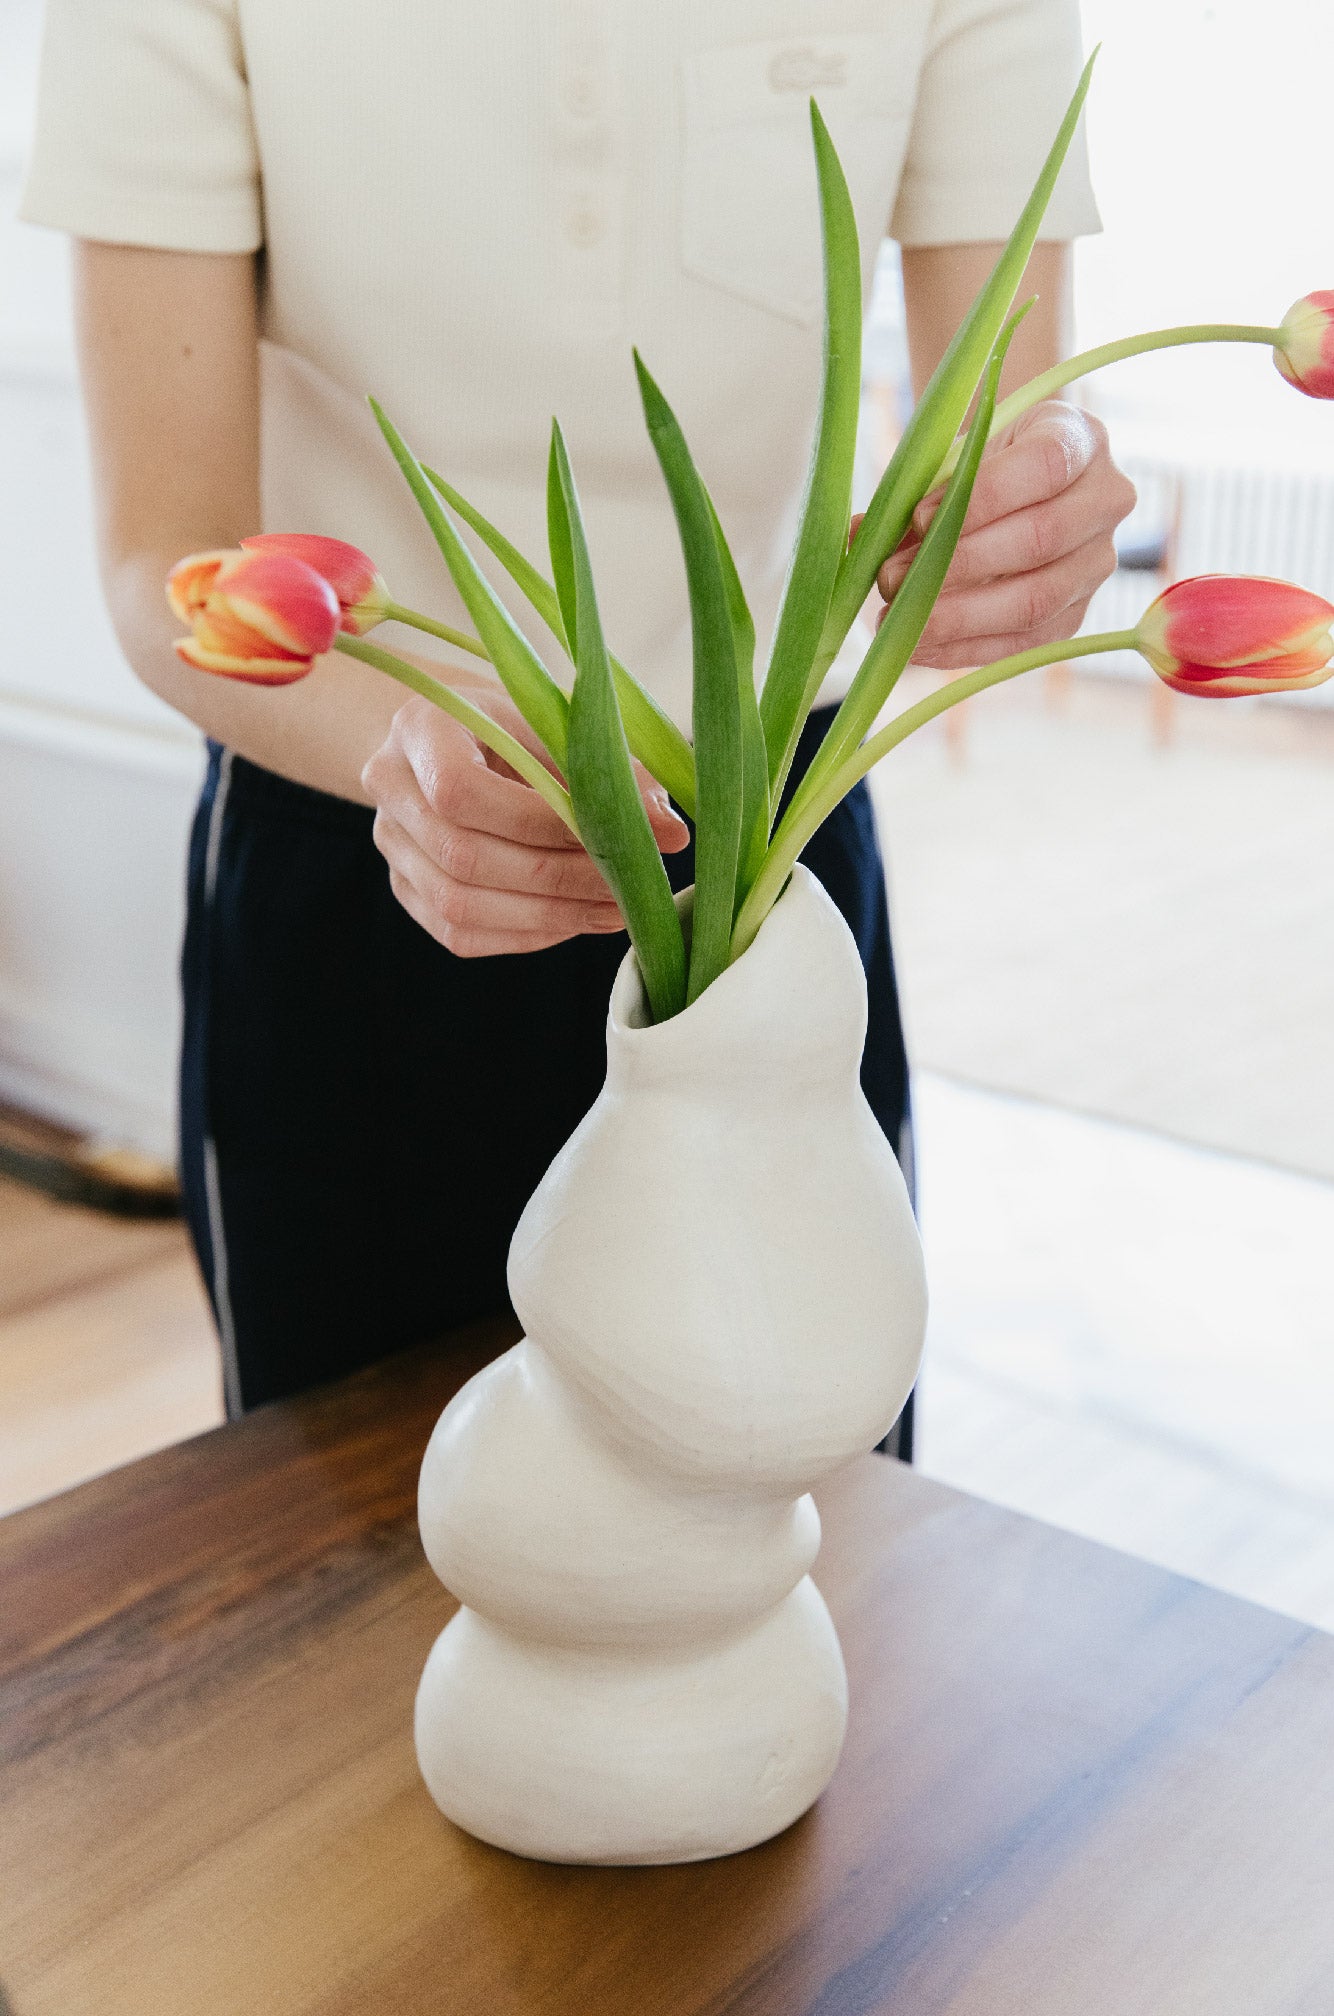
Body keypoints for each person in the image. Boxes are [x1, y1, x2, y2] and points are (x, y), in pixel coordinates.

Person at [20, 1, 1133, 1427]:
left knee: (801, 1520)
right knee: (342, 1535)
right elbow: (159, 558)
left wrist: (1038, 505)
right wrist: (394, 744)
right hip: (361, 812)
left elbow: (1015, 417)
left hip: (769, 849)